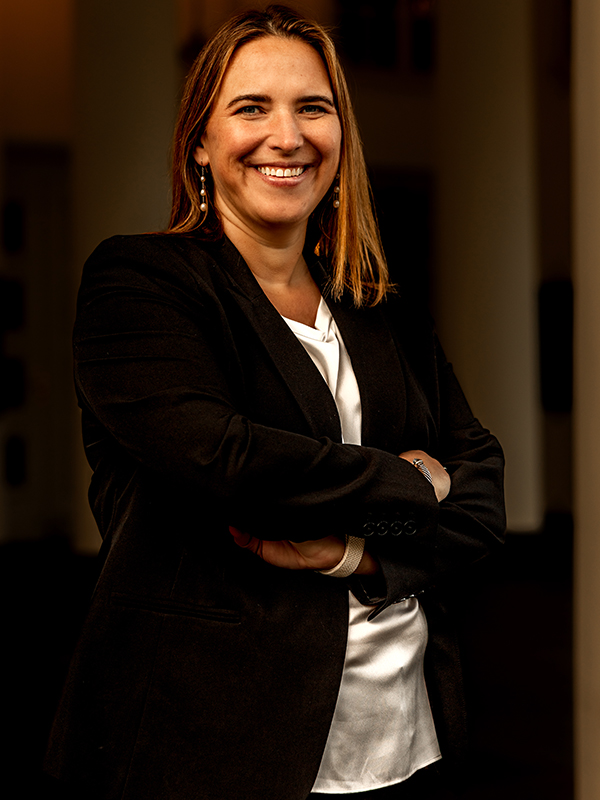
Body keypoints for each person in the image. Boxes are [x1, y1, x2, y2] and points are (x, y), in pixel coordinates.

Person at [45, 5, 505, 799]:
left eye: (313, 108)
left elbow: (482, 498)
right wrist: (411, 484)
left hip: (407, 739)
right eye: (251, 107)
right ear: (200, 139)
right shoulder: (141, 285)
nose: (286, 136)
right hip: (216, 741)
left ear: (341, 136)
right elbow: (222, 461)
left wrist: (354, 552)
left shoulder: (379, 309)